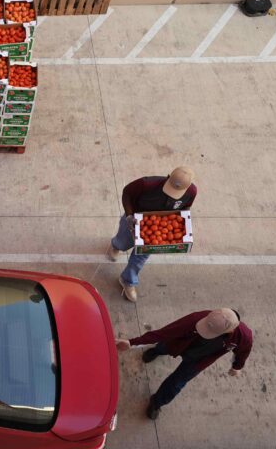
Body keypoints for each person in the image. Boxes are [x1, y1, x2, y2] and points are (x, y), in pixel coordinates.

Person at [116, 308, 252, 419]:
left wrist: (237, 366)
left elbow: (243, 351)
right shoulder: (197, 318)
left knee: (176, 383)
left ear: (230, 331)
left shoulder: (244, 336)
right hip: (181, 345)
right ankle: (157, 350)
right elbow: (165, 332)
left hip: (199, 360)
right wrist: (132, 343)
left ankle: (157, 402)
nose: (202, 328)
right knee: (164, 346)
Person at [107, 166, 197, 302]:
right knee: (123, 240)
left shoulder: (191, 192)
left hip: (157, 230)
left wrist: (180, 224)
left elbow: (186, 208)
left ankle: (127, 280)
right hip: (134, 220)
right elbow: (127, 193)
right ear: (168, 177)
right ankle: (116, 246)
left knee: (140, 258)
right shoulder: (146, 184)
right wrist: (129, 215)